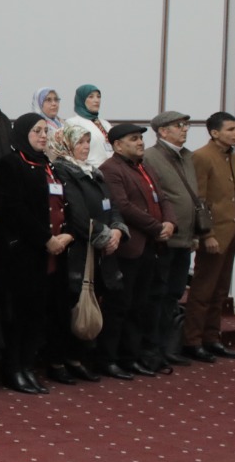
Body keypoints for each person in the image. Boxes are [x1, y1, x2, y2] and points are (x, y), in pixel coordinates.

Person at [0, 113, 69, 394]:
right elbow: (13, 209)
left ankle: (28, 366)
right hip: (21, 254)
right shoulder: (9, 164)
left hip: (52, 254)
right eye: (37, 131)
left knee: (38, 314)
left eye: (45, 131)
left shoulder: (49, 165)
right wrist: (45, 239)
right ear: (23, 133)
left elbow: (63, 203)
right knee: (18, 315)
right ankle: (13, 369)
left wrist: (67, 234)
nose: (43, 136)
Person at [47, 122, 126, 380]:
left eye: (87, 142)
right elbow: (78, 213)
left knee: (92, 301)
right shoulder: (62, 169)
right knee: (70, 306)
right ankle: (58, 361)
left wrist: (117, 230)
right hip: (77, 252)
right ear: (66, 144)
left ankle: (77, 358)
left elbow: (112, 205)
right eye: (79, 142)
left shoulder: (92, 171)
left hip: (99, 250)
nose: (84, 147)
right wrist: (103, 234)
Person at [99, 123, 174, 376]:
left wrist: (170, 223)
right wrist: (156, 226)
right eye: (133, 139)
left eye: (141, 138)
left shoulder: (144, 166)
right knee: (119, 306)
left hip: (150, 247)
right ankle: (109, 359)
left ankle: (130, 357)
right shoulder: (111, 169)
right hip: (128, 249)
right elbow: (123, 205)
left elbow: (163, 197)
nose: (140, 142)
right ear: (118, 145)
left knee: (139, 306)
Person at [141, 110, 210, 366]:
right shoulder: (150, 157)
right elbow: (156, 197)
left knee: (173, 294)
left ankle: (166, 347)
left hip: (184, 238)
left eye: (186, 125)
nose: (185, 129)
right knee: (157, 294)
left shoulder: (187, 156)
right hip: (164, 239)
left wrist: (195, 234)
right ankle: (151, 349)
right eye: (179, 125)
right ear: (163, 131)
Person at [186, 112, 235, 360]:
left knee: (220, 290)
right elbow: (199, 200)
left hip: (230, 231)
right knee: (203, 290)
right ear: (214, 133)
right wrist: (207, 234)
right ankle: (192, 341)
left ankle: (212, 338)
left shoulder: (232, 157)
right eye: (231, 129)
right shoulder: (202, 156)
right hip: (213, 234)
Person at [67, 84, 113, 168]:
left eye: (98, 97)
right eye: (91, 97)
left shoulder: (105, 123)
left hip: (111, 168)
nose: (96, 100)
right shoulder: (73, 123)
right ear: (81, 100)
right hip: (89, 169)